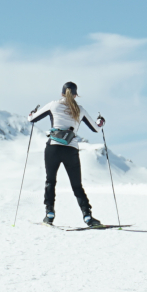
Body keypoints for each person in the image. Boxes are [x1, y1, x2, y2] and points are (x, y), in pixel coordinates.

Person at [29, 82, 106, 226]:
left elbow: (32, 119)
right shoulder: (80, 110)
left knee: (50, 181)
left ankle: (49, 214)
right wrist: (101, 121)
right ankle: (88, 217)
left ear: (62, 93)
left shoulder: (53, 105)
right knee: (77, 185)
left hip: (53, 148)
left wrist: (31, 113)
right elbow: (96, 128)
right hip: (71, 149)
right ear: (76, 95)